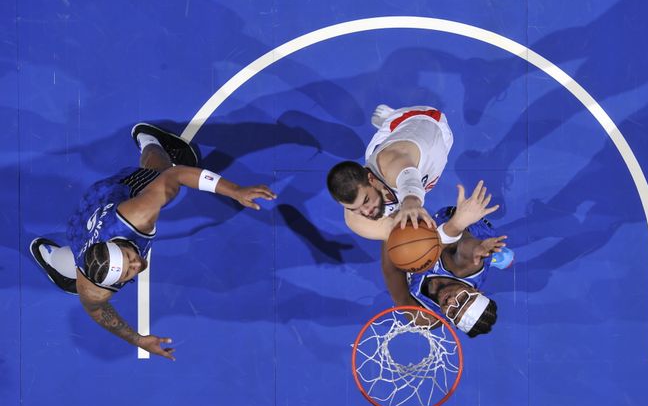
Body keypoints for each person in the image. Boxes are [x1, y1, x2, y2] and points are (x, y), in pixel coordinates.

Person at [29, 123, 277, 360]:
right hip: (80, 226)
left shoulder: (137, 216)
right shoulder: (93, 287)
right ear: (113, 281)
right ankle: (52, 258)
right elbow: (97, 310)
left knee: (160, 172)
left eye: (129, 258)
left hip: (110, 193)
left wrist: (236, 191)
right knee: (74, 254)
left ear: (120, 245)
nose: (137, 265)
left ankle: (147, 139)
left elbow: (177, 174)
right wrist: (137, 340)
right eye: (129, 273)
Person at [381, 181, 513, 337]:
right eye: (463, 299)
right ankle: (494, 256)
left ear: (453, 323)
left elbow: (392, 273)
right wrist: (474, 244)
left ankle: (494, 257)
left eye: (455, 312)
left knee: (412, 249)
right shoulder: (468, 265)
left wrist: (391, 230)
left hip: (429, 249)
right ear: (475, 291)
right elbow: (461, 246)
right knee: (478, 252)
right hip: (468, 230)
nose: (451, 302)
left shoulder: (424, 318)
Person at [326, 104, 453, 240]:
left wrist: (411, 202)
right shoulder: (355, 218)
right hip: (409, 164)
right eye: (354, 208)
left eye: (366, 200)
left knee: (389, 147)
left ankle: (390, 117)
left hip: (427, 122)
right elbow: (398, 236)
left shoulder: (393, 166)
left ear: (371, 179)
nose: (366, 211)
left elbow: (409, 182)